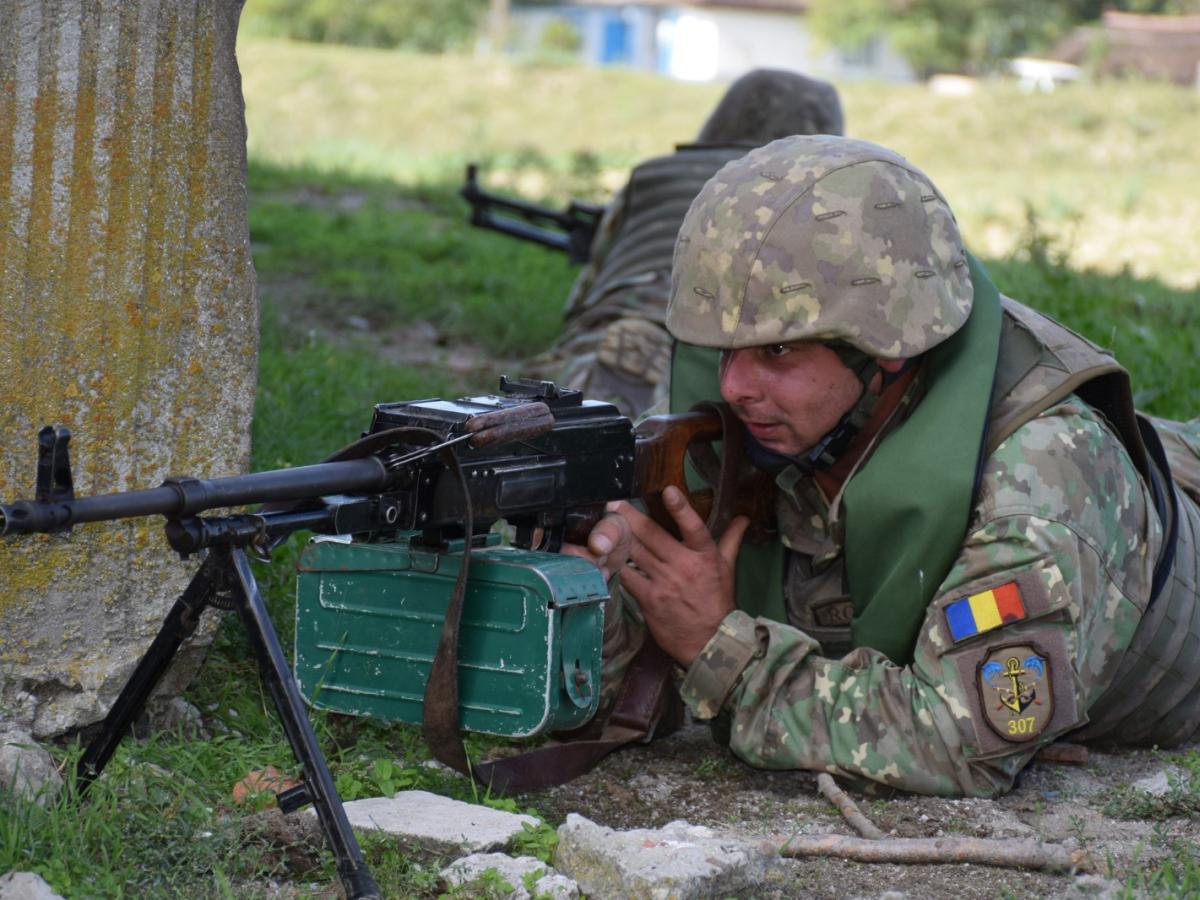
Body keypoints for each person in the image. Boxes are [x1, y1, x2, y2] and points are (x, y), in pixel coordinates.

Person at [567, 134, 1200, 798]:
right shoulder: (765, 419)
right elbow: (636, 679)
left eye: (777, 351)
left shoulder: (1038, 487)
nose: (733, 386)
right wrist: (591, 598)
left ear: (885, 350)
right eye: (723, 350)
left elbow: (958, 740)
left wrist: (721, 653)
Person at [530, 69, 844, 419]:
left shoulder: (653, 173)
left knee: (572, 373)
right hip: (721, 325)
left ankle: (591, 382)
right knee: (703, 387)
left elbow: (588, 287)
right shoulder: (810, 193)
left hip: (630, 298)